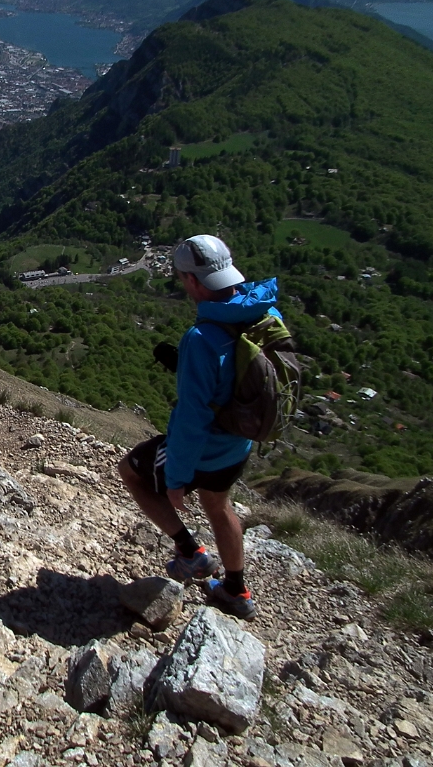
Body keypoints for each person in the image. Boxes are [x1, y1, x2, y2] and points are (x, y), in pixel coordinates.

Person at [117, 234, 282, 620]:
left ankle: (190, 553)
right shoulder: (265, 314)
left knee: (131, 472)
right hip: (239, 445)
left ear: (192, 280)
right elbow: (240, 379)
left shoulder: (201, 339)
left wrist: (176, 478)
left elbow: (192, 419)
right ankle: (236, 589)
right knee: (218, 504)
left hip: (205, 449)